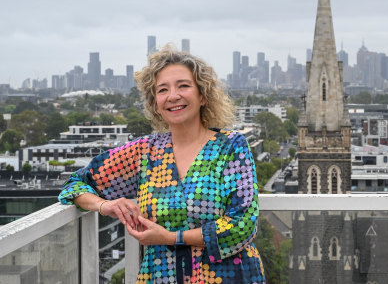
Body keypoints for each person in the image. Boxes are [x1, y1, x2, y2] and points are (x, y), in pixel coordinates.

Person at [59, 44, 265, 284]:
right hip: (161, 277)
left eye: (183, 86)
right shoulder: (144, 152)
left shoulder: (230, 147)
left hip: (229, 277)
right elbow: (75, 185)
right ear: (155, 102)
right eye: (162, 90)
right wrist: (106, 205)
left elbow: (242, 225)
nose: (173, 96)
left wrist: (170, 237)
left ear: (203, 95)